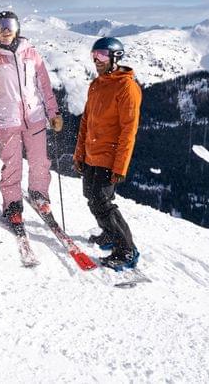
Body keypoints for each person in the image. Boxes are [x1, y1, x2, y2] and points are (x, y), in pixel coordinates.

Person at [0, 11, 63, 235]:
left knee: (40, 161)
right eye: (0, 26)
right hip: (6, 120)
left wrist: (54, 113)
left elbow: (45, 87)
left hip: (35, 118)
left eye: (9, 24)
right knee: (12, 166)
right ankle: (12, 206)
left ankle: (39, 194)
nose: (5, 30)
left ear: (17, 27)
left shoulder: (32, 55)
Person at [73, 36, 142, 270]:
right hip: (92, 153)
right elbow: (86, 122)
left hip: (110, 156)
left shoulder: (126, 87)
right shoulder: (97, 84)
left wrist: (120, 166)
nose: (97, 60)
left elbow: (128, 131)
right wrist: (79, 153)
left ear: (115, 57)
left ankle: (126, 250)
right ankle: (109, 233)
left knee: (102, 201)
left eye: (102, 55)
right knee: (91, 197)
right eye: (94, 55)